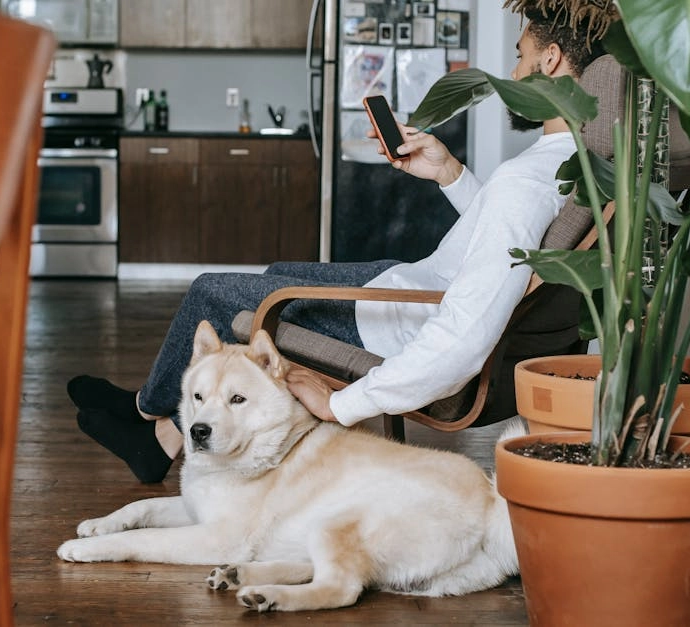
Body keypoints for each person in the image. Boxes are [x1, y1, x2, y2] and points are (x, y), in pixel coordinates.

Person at [68, 3, 609, 483]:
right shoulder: (569, 165)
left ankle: (145, 415)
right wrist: (449, 173)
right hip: (407, 286)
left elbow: (466, 334)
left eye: (519, 56)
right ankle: (160, 432)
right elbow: (508, 249)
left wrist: (344, 403)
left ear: (550, 60)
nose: (512, 72)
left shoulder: (526, 181)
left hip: (398, 320)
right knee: (274, 273)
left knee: (214, 291)